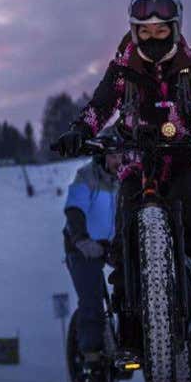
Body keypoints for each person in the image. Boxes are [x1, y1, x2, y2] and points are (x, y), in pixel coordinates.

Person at [54, 0, 191, 309]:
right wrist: (80, 131)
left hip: (185, 153)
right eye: (145, 32)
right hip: (137, 159)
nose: (153, 39)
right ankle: (126, 309)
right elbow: (101, 105)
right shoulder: (122, 69)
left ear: (175, 29)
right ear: (134, 31)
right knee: (125, 225)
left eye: (161, 31)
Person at [63, 153, 120, 360]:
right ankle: (91, 355)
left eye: (123, 156)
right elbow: (74, 209)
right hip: (81, 245)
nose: (119, 162)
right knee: (92, 297)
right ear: (103, 158)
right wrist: (82, 239)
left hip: (113, 245)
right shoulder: (87, 175)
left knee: (132, 287)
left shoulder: (127, 176)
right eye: (114, 156)